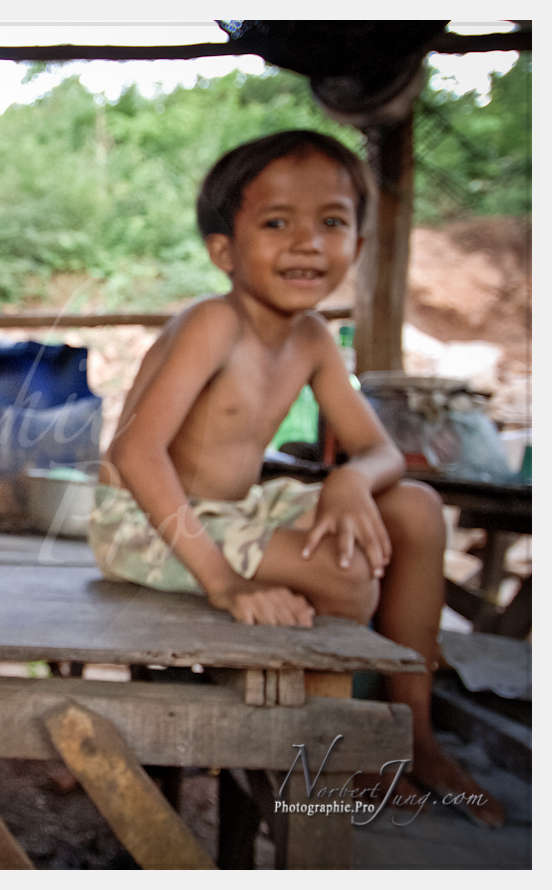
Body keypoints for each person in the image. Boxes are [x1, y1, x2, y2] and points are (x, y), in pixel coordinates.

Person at [89, 129, 504, 827]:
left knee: (417, 510)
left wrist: (348, 481)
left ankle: (416, 736)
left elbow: (384, 454)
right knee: (348, 576)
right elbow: (135, 457)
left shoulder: (312, 338)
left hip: (237, 506)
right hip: (147, 516)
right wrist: (224, 581)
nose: (307, 243)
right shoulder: (212, 324)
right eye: (277, 222)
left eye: (331, 223)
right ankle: (344, 750)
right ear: (224, 249)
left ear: (358, 249)